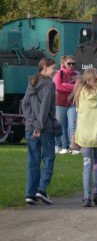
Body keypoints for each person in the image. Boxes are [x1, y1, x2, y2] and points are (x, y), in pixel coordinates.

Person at [23, 58, 59, 205]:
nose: (55, 71)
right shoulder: (49, 84)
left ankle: (30, 194)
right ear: (44, 68)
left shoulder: (32, 82)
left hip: (30, 128)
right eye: (53, 68)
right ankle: (41, 189)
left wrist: (31, 122)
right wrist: (38, 127)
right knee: (49, 158)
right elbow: (44, 108)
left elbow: (25, 104)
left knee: (33, 161)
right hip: (44, 129)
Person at [74, 69, 97, 208]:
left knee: (87, 164)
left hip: (85, 136)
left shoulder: (80, 93)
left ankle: (86, 196)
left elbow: (77, 112)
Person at [54, 56, 78, 154]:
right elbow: (57, 87)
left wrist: (65, 85)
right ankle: (61, 146)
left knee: (72, 125)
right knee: (60, 125)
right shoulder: (59, 73)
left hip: (72, 103)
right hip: (60, 103)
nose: (71, 65)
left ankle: (73, 147)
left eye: (73, 64)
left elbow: (78, 87)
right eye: (69, 63)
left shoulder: (76, 74)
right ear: (64, 64)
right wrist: (72, 87)